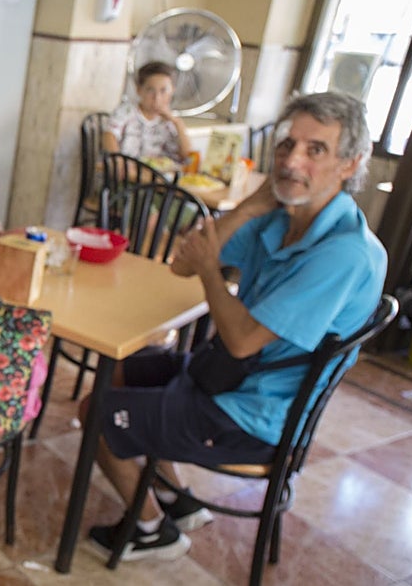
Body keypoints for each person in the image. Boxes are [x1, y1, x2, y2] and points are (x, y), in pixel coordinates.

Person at [82, 91, 386, 561]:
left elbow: (242, 341)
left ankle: (150, 530)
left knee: (97, 412)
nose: (292, 161)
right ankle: (176, 500)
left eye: (315, 150)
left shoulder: (342, 253)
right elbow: (183, 265)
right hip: (220, 375)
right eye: (287, 145)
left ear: (351, 164)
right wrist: (246, 208)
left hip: (254, 416)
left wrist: (211, 271)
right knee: (124, 368)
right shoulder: (281, 218)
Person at [103, 61, 194, 163]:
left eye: (163, 91)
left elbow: (187, 156)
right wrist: (119, 163)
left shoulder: (169, 121)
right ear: (139, 90)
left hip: (161, 172)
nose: (157, 98)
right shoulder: (127, 112)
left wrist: (177, 123)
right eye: (150, 90)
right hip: (131, 172)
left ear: (172, 90)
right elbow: (109, 135)